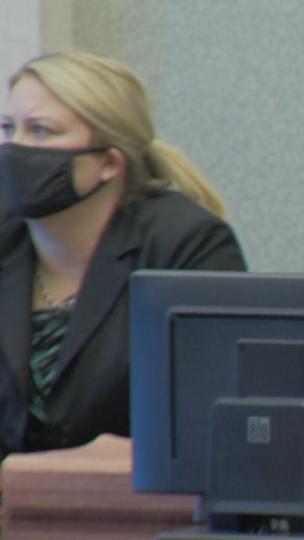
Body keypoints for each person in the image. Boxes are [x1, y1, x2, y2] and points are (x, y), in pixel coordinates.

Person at [0, 52, 247, 459]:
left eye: (41, 131)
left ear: (109, 163)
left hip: (137, 510)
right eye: (8, 129)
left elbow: (214, 421)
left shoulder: (185, 245)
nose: (16, 148)